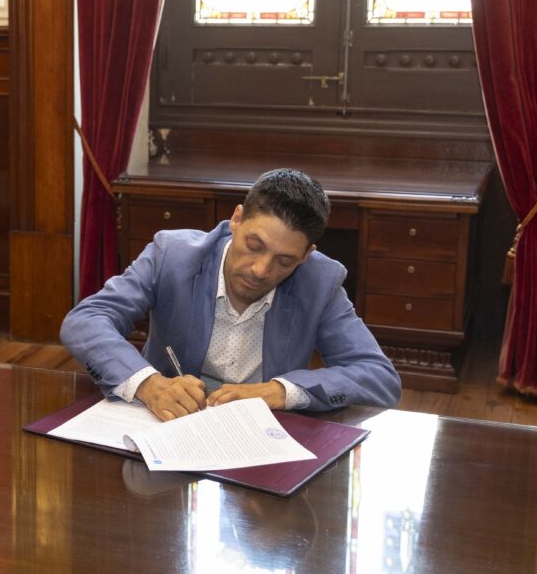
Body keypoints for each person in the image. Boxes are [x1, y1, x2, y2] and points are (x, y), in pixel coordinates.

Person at [61, 168, 401, 421]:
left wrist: (280, 392)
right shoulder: (172, 255)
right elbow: (86, 321)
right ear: (236, 219)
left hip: (260, 436)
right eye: (254, 246)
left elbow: (379, 376)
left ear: (306, 255)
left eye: (284, 261)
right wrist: (149, 384)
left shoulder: (320, 282)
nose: (261, 270)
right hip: (166, 424)